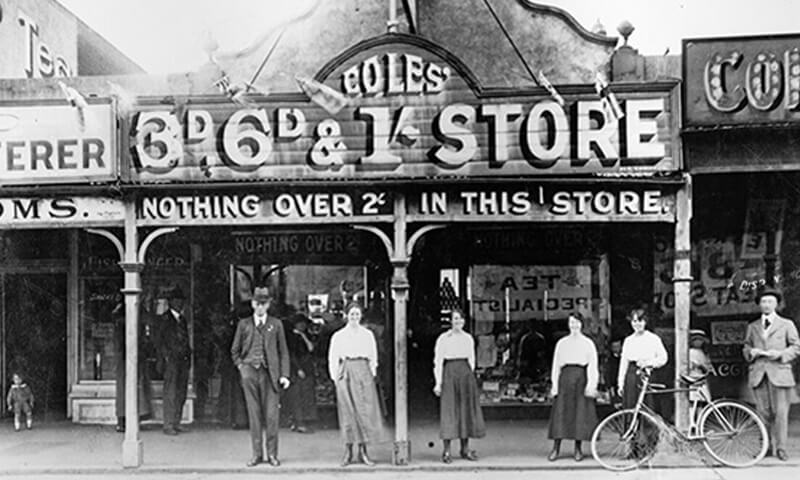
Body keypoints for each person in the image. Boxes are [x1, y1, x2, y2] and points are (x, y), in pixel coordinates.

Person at [230, 286, 291, 467]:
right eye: (257, 303)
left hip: (270, 374)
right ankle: (257, 454)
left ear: (268, 305)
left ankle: (272, 454)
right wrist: (242, 367)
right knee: (254, 415)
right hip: (250, 373)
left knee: (272, 416)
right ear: (252, 304)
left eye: (264, 304)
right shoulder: (244, 324)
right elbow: (235, 350)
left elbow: (283, 352)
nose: (260, 307)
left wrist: (284, 375)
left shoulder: (276, 324)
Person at [743, 287, 800, 462]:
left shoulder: (786, 324)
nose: (766, 305)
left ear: (776, 304)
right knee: (762, 413)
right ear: (759, 305)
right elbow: (745, 347)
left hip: (780, 373)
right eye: (763, 302)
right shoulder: (752, 326)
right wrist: (751, 352)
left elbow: (796, 347)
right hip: (759, 373)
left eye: (770, 301)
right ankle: (765, 447)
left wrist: (781, 354)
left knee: (781, 413)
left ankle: (781, 448)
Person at [328, 303, 387, 467]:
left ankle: (363, 452)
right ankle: (348, 452)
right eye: (352, 314)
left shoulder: (367, 335)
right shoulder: (339, 336)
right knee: (348, 414)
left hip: (363, 372)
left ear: (361, 316)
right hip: (346, 371)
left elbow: (373, 356)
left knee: (364, 412)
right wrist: (336, 378)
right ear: (346, 315)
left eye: (357, 314)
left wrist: (371, 373)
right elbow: (333, 358)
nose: (354, 317)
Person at [433, 308, 486, 464]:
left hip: (465, 374)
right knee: (449, 411)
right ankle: (447, 451)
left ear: (464, 321)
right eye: (455, 319)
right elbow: (438, 361)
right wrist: (438, 382)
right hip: (449, 372)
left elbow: (472, 359)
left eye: (460, 319)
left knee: (465, 411)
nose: (458, 322)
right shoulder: (443, 338)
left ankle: (465, 449)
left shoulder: (468, 338)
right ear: (451, 321)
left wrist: (470, 378)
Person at [547, 312, 599, 462]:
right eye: (571, 323)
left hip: (581, 378)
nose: (574, 326)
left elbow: (592, 365)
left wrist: (591, 384)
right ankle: (556, 449)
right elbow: (556, 365)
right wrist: (554, 385)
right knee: (561, 413)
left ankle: (578, 449)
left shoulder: (588, 343)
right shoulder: (562, 343)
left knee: (579, 414)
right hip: (565, 379)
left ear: (581, 324)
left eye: (576, 323)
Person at [113, 297, 153, 432]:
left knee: (135, 387)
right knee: (126, 387)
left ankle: (131, 418)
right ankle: (124, 419)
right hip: (126, 356)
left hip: (135, 356)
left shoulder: (133, 315)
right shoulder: (122, 316)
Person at [617, 308, 668, 409]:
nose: (637, 324)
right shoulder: (628, 341)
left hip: (648, 375)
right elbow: (624, 363)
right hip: (631, 376)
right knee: (631, 407)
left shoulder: (653, 339)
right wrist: (621, 383)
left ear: (645, 322)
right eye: (634, 321)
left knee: (648, 406)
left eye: (640, 321)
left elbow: (663, 358)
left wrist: (648, 363)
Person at [157, 287, 192, 436]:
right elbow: (159, 341)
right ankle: (168, 424)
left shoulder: (182, 320)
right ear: (171, 302)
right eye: (177, 301)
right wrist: (165, 356)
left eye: (181, 301)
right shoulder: (165, 319)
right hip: (171, 361)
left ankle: (176, 422)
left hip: (182, 360)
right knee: (171, 392)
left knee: (181, 392)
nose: (180, 304)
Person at [286, 313, 318, 433]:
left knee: (306, 395)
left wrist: (304, 336)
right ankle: (298, 421)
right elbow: (291, 355)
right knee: (297, 396)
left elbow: (311, 348)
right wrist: (297, 368)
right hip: (296, 369)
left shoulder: (306, 336)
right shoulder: (291, 337)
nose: (303, 325)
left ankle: (306, 420)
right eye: (301, 323)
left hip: (307, 367)